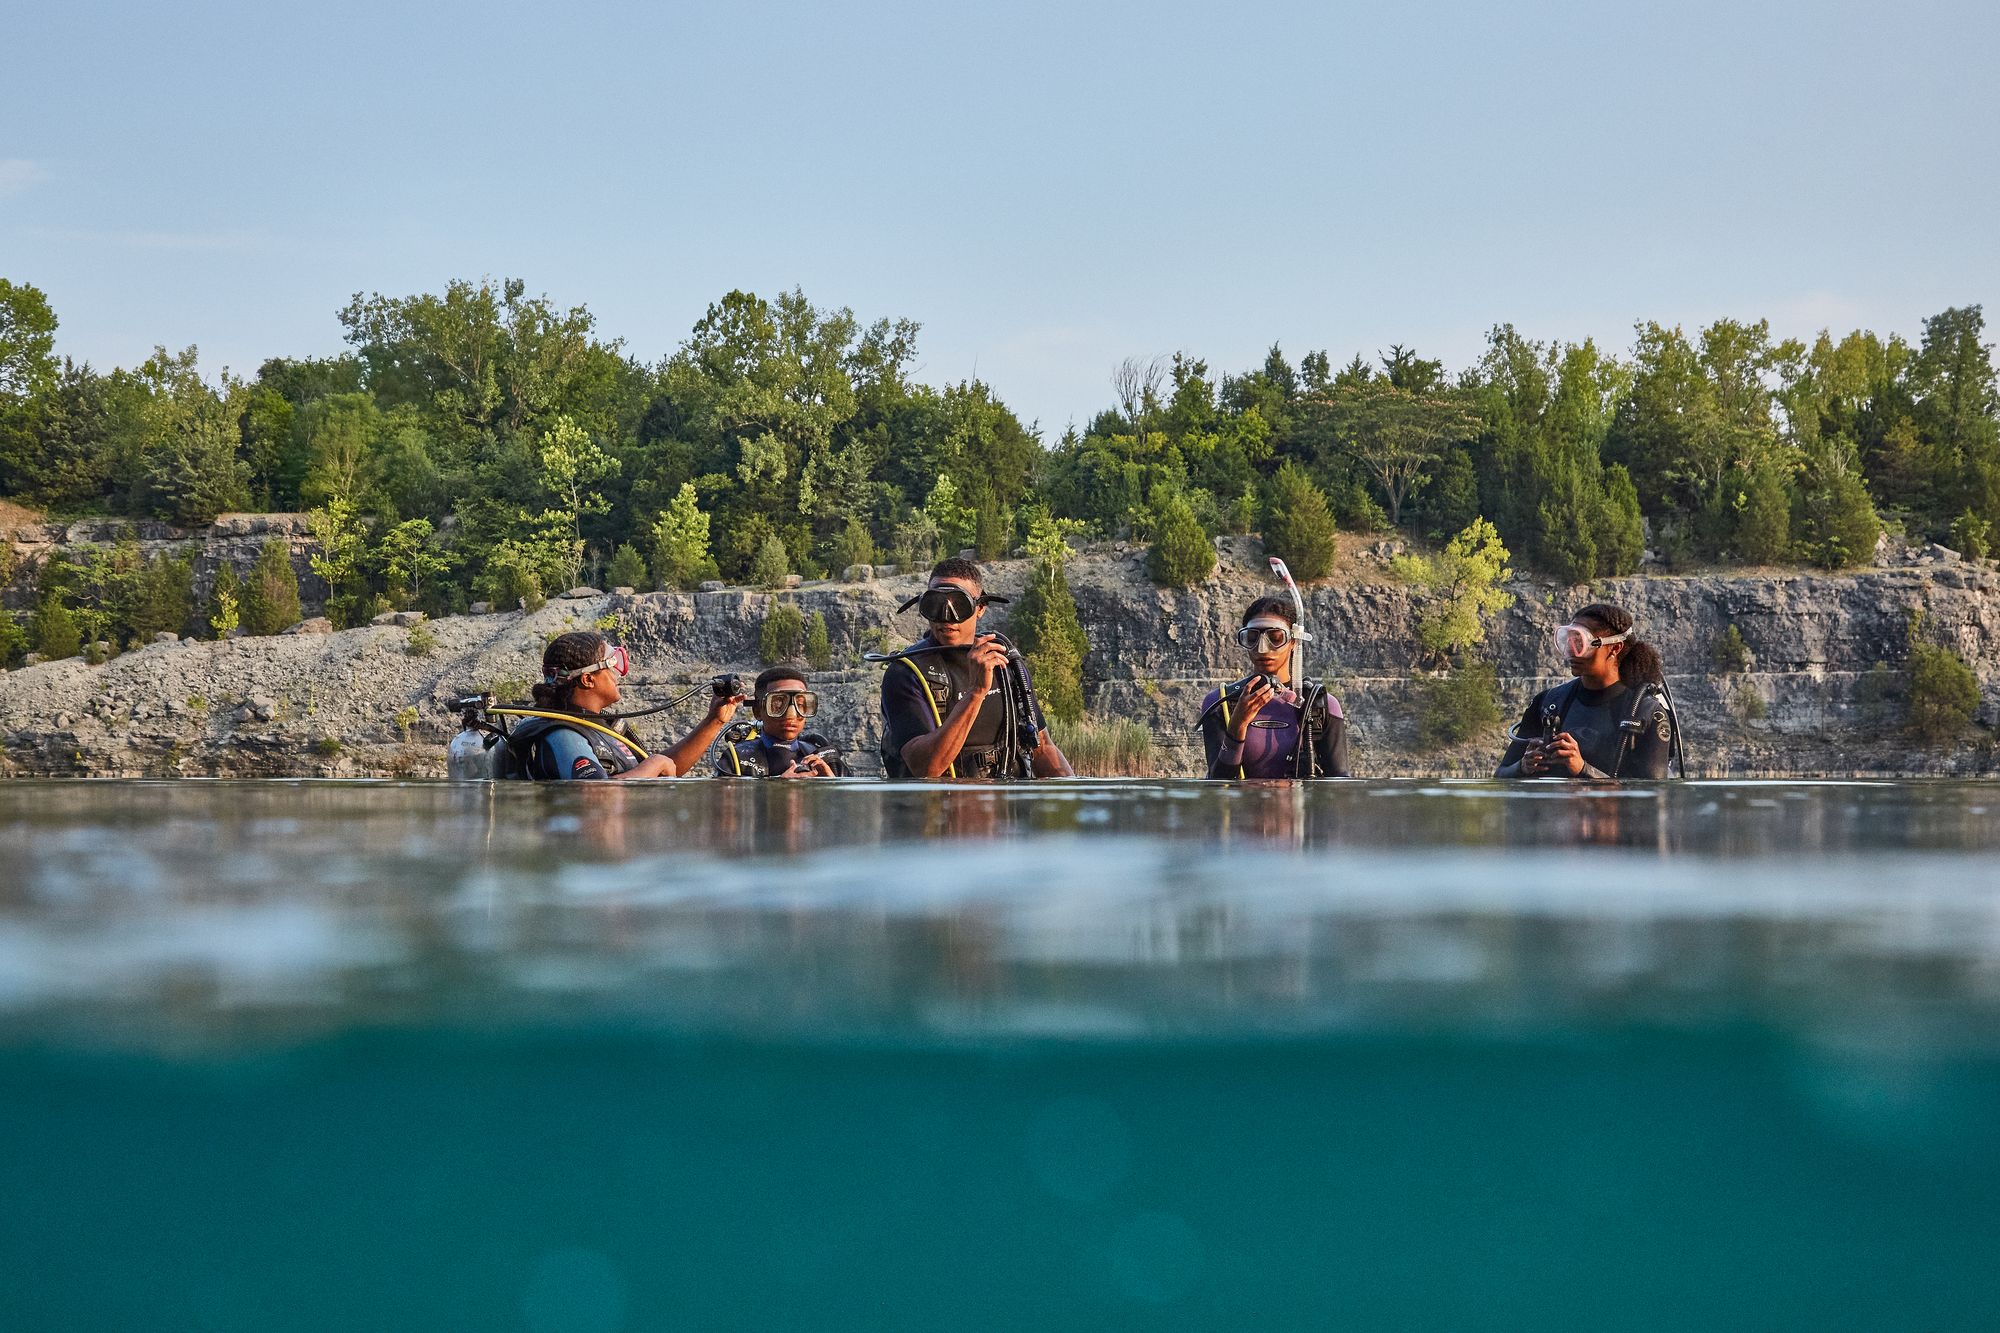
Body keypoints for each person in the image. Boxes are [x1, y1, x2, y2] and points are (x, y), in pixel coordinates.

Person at [878, 557, 1073, 780]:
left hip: (1004, 810)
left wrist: (1076, 800)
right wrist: (976, 693)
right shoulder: (906, 674)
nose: (946, 617)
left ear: (980, 607)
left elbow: (1042, 748)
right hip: (939, 810)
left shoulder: (1005, 663)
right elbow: (926, 768)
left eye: (959, 605)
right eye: (935, 605)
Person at [507, 631, 747, 780]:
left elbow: (665, 770)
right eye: (611, 664)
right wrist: (651, 766)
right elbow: (593, 794)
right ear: (588, 679)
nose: (617, 673)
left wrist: (715, 720)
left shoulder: (599, 727)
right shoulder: (563, 734)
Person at [1495, 602, 1678, 780]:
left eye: (1581, 643)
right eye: (1568, 641)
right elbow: (1501, 774)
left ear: (1614, 647)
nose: (1572, 652)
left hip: (1617, 812)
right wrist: (1522, 767)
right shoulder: (1549, 703)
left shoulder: (1646, 713)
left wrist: (1583, 769)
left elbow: (1653, 794)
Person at [1198, 596, 1350, 779]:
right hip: (1243, 808)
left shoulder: (1321, 705)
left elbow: (1339, 784)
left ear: (1294, 641)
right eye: (1252, 638)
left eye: (1276, 638)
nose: (1262, 649)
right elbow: (1218, 783)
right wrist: (1237, 725)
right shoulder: (1220, 703)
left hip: (1301, 808)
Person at [714, 667, 848, 777]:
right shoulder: (737, 759)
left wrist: (832, 785)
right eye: (777, 706)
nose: (791, 715)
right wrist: (780, 787)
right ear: (757, 711)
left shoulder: (828, 759)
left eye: (800, 705)